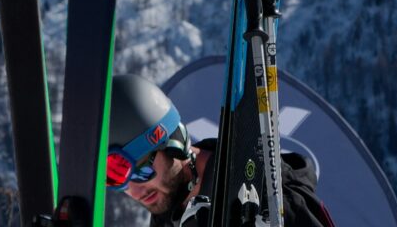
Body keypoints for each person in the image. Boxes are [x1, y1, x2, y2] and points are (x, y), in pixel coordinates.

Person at [107, 72, 336, 227]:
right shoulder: (167, 213)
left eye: (141, 171)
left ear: (172, 143)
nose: (135, 192)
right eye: (116, 180)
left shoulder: (270, 199)